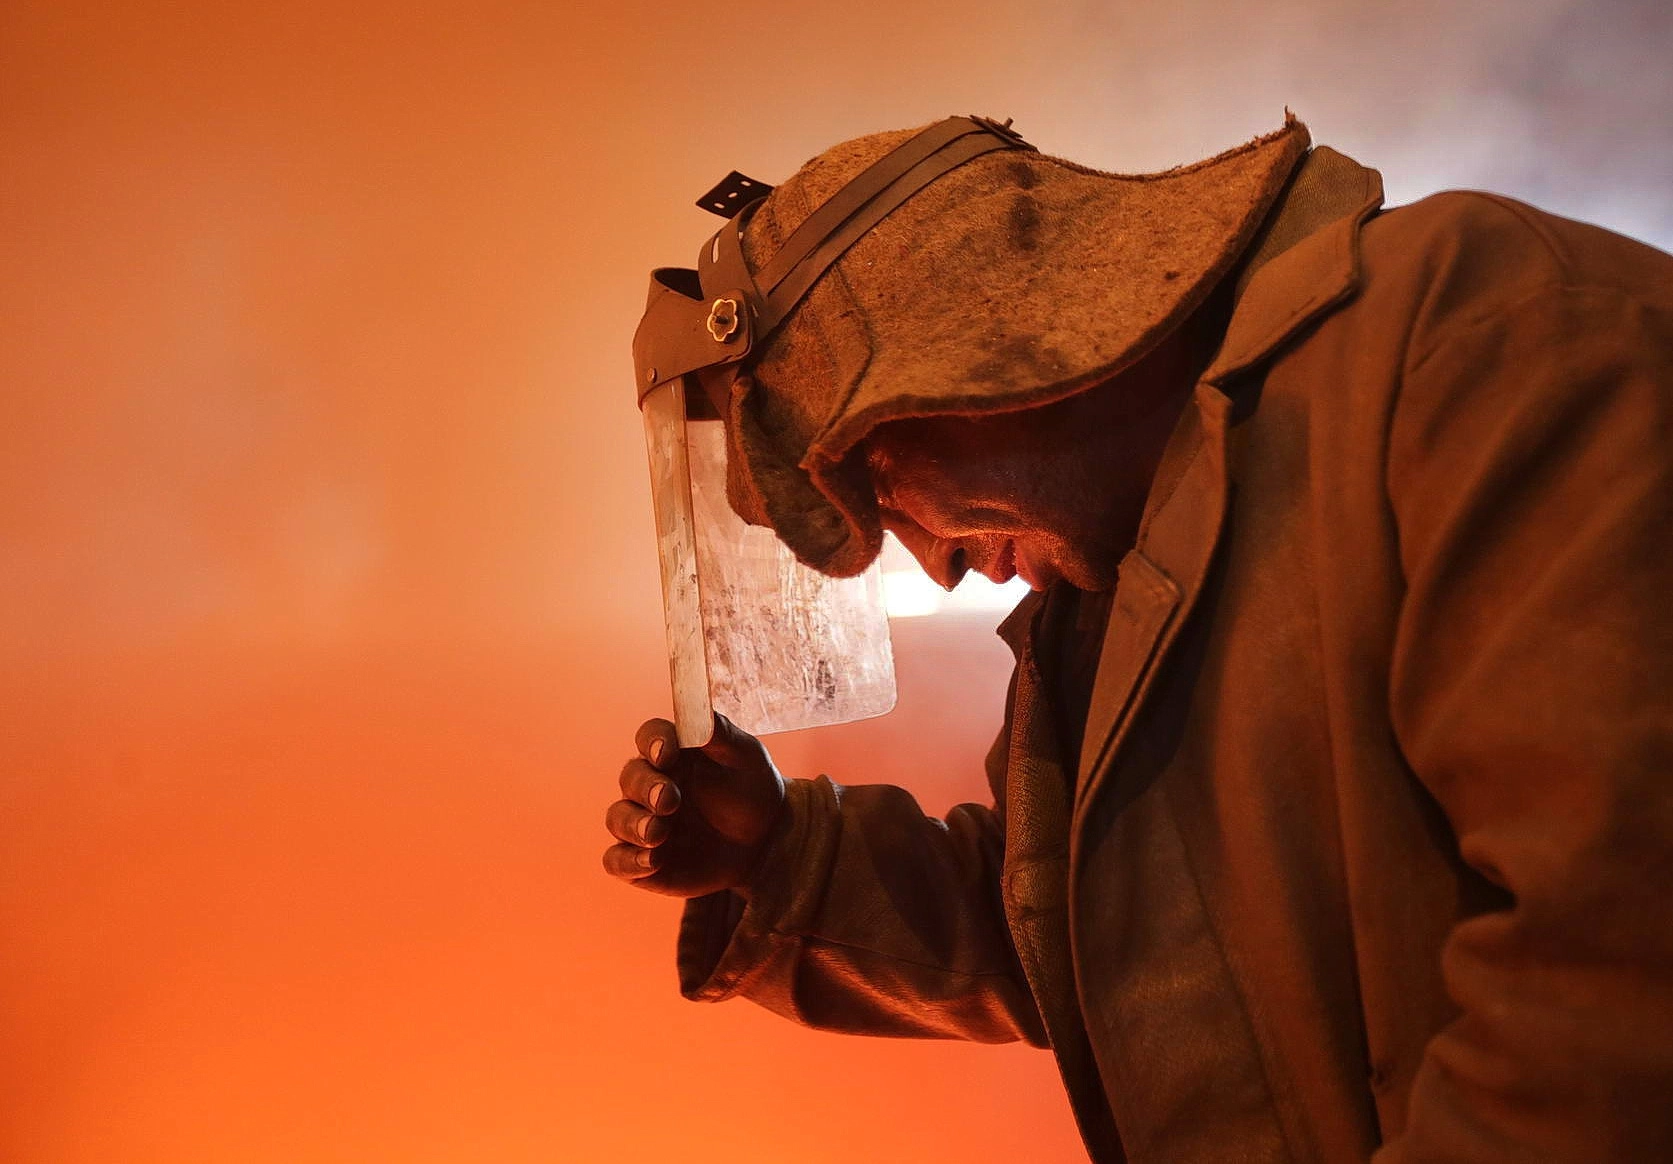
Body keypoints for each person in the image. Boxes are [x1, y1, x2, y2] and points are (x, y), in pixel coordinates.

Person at [604, 115, 1673, 1162]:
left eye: (881, 487)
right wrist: (783, 857)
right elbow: (1102, 934)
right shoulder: (1114, 576)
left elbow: (1611, 972)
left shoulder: (1483, 337)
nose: (932, 562)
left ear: (972, 360)